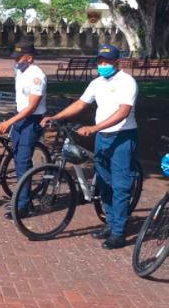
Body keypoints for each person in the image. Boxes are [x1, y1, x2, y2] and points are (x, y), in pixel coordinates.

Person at [41, 44, 137, 249]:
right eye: (100, 62)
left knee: (120, 185)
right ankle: (110, 224)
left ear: (117, 62)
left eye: (107, 61)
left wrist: (94, 128)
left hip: (122, 137)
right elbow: (80, 104)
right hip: (103, 137)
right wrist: (55, 117)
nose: (103, 65)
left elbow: (123, 112)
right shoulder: (97, 82)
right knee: (104, 182)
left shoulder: (127, 82)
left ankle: (119, 233)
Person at [0, 41, 47, 218]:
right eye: (15, 58)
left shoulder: (37, 76)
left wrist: (10, 121)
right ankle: (24, 198)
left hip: (32, 120)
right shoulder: (20, 71)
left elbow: (32, 106)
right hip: (20, 118)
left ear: (30, 58)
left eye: (19, 58)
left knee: (23, 161)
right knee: (19, 158)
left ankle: (23, 206)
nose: (16, 61)